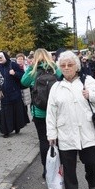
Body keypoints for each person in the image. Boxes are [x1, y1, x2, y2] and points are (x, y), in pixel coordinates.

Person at [46, 51, 95, 189]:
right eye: (63, 65)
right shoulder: (56, 87)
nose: (66, 68)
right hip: (65, 133)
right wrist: (51, 133)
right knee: (68, 167)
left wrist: (91, 94)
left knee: (91, 162)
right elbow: (51, 112)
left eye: (70, 64)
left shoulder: (86, 80)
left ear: (77, 66)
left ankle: (92, 179)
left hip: (87, 132)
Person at [20, 48, 62, 179]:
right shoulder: (55, 68)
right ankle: (60, 166)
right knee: (58, 140)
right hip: (56, 112)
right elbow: (62, 79)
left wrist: (30, 67)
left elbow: (23, 82)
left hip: (39, 112)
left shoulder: (34, 70)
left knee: (44, 140)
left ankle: (46, 168)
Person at [0, 51, 26, 137]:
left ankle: (17, 127)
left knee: (16, 112)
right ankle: (6, 131)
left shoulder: (13, 65)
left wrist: (15, 73)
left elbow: (23, 76)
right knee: (5, 113)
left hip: (14, 94)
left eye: (1, 58)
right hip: (4, 95)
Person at [16, 53, 31, 124]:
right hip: (18, 87)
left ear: (23, 60)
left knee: (26, 103)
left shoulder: (26, 67)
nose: (20, 60)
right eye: (18, 59)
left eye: (21, 59)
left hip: (25, 87)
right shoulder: (15, 67)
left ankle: (26, 117)